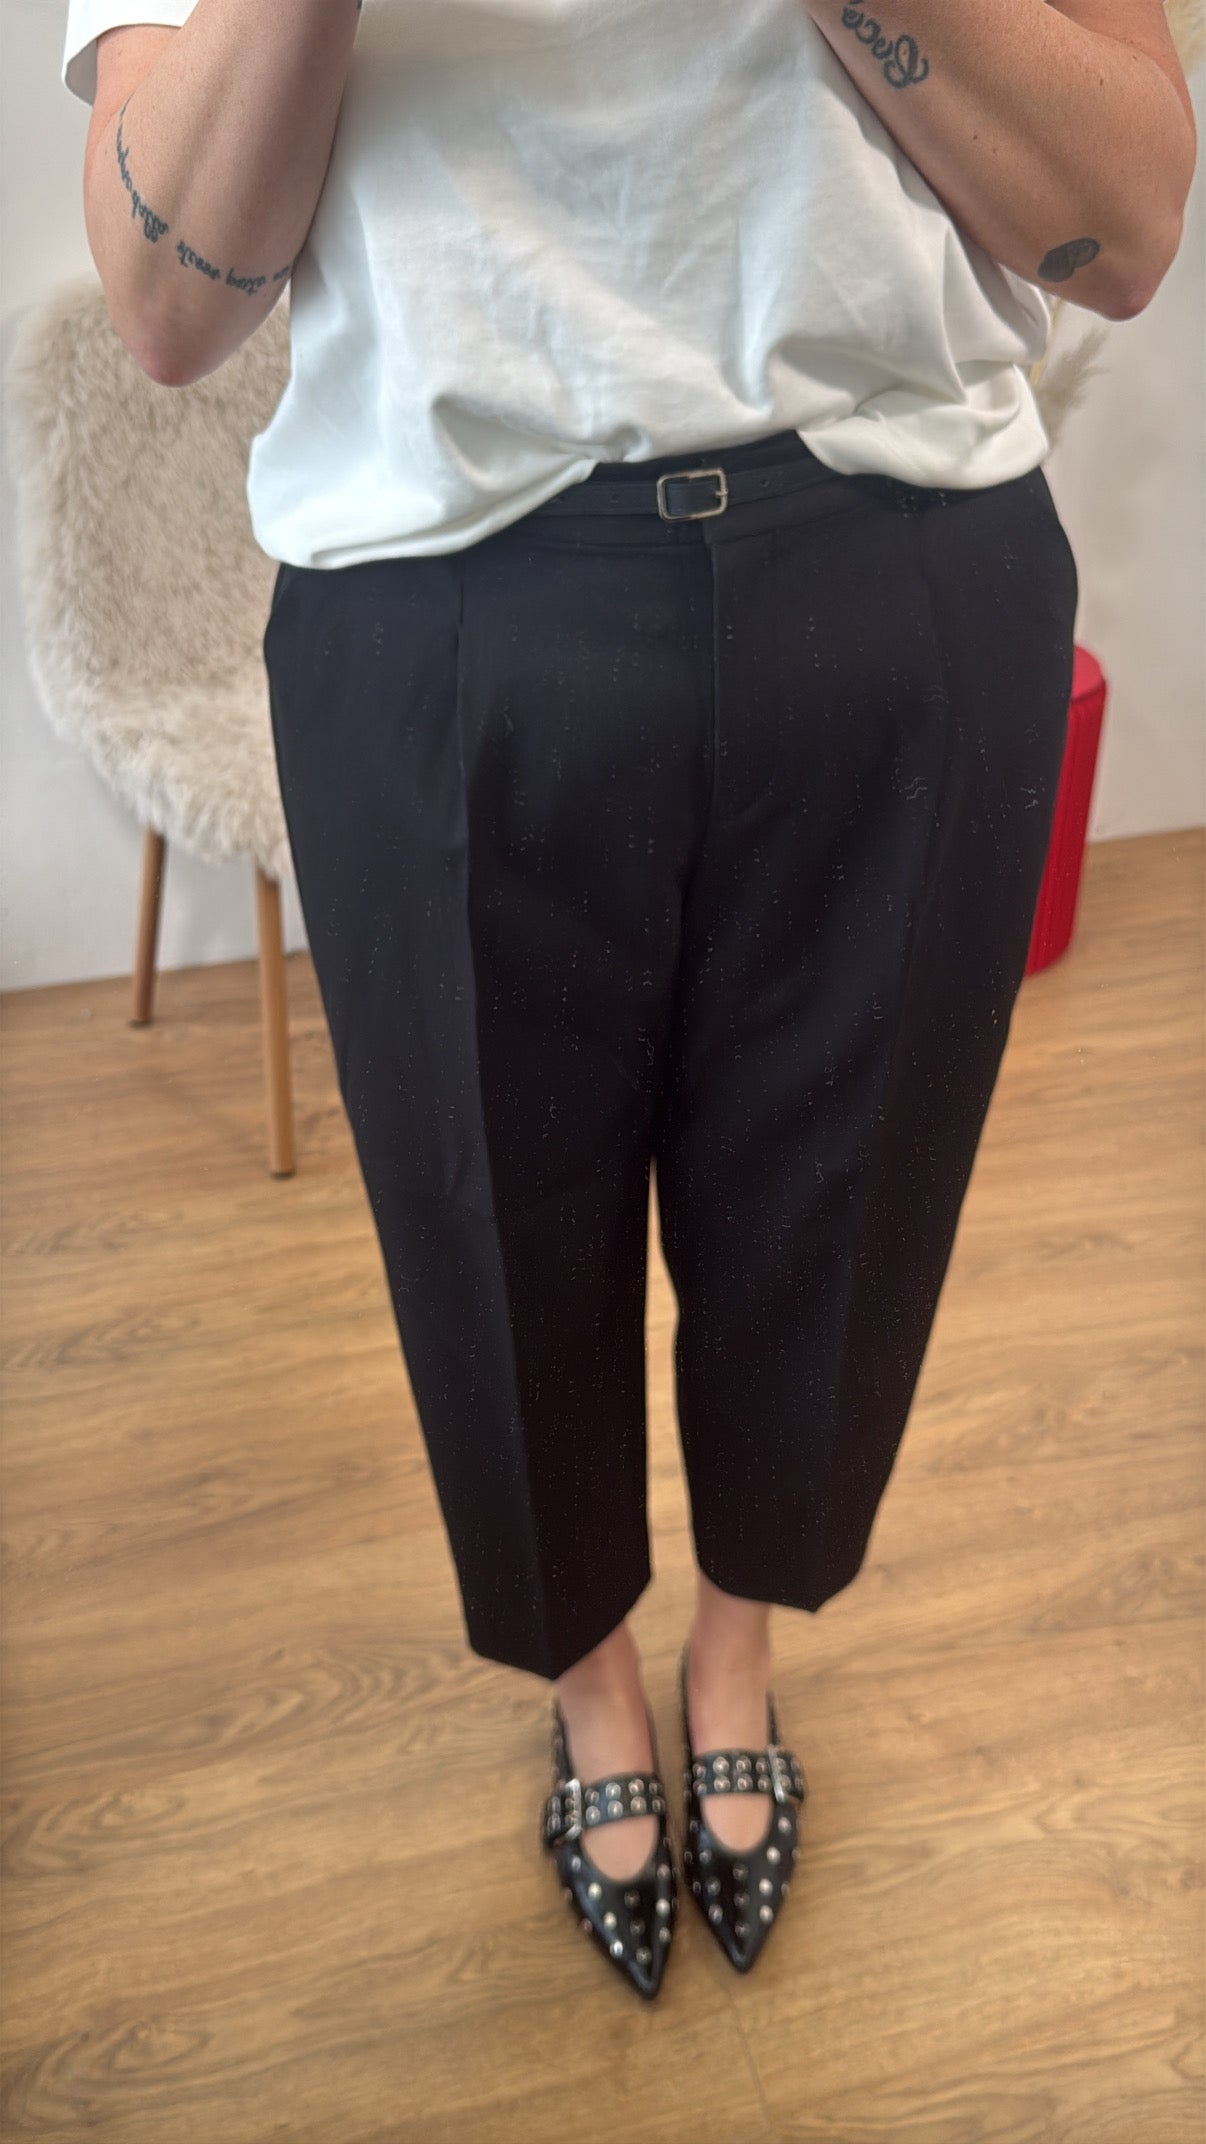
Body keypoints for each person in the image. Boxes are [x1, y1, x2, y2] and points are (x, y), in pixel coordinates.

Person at [64, 0, 1086, 1999]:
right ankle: (591, 1681)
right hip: (442, 592)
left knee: (838, 1219)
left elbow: (1122, 224)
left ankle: (737, 1652)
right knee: (492, 1234)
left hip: (893, 555)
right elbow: (168, 307)